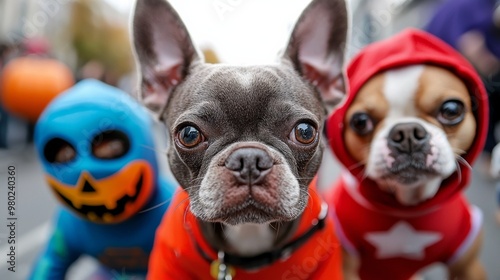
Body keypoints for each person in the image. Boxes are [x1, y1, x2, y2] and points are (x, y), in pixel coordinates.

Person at [29, 79, 177, 279]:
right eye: (64, 155)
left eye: (109, 149)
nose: (85, 175)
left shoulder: (174, 212)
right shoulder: (72, 223)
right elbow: (50, 265)